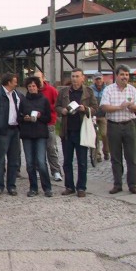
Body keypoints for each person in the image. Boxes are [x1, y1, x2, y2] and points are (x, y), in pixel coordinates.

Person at [55, 68, 98, 198]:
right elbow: (56, 106)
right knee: (67, 161)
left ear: (82, 78)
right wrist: (61, 110)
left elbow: (96, 108)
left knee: (82, 161)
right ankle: (69, 186)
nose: (74, 79)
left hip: (82, 130)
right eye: (73, 76)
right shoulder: (63, 92)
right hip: (67, 131)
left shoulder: (88, 92)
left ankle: (81, 187)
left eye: (77, 76)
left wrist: (85, 109)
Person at [100, 64, 136, 194]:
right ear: (116, 76)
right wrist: (120, 107)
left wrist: (132, 107)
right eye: (122, 74)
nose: (125, 77)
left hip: (128, 124)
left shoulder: (132, 90)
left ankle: (133, 184)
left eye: (127, 75)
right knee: (116, 157)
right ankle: (117, 184)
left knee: (131, 157)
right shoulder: (109, 90)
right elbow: (104, 107)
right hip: (114, 125)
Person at [0, 73, 24, 196]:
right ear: (8, 82)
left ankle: (11, 186)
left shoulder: (17, 94)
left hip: (15, 130)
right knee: (1, 159)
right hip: (3, 131)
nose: (16, 83)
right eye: (14, 81)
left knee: (14, 160)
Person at [18, 76, 52, 197]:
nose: (32, 88)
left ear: (37, 87)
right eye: (29, 86)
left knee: (41, 162)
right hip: (27, 133)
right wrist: (24, 118)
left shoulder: (44, 100)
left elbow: (48, 118)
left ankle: (47, 187)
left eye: (33, 86)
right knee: (30, 162)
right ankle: (33, 187)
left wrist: (39, 117)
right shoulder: (23, 100)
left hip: (40, 133)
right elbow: (19, 117)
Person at [34, 71, 63, 182]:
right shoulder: (33, 90)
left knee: (51, 148)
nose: (36, 81)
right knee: (37, 149)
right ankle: (39, 169)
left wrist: (44, 107)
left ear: (43, 78)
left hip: (49, 123)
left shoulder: (51, 90)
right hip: (36, 124)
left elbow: (57, 105)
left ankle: (56, 171)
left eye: (38, 78)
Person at [89, 72, 109, 163]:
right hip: (93, 116)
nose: (98, 81)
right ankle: (97, 155)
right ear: (94, 80)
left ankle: (106, 151)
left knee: (104, 134)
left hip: (104, 115)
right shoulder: (90, 89)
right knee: (94, 136)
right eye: (96, 79)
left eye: (100, 79)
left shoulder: (107, 89)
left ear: (102, 79)